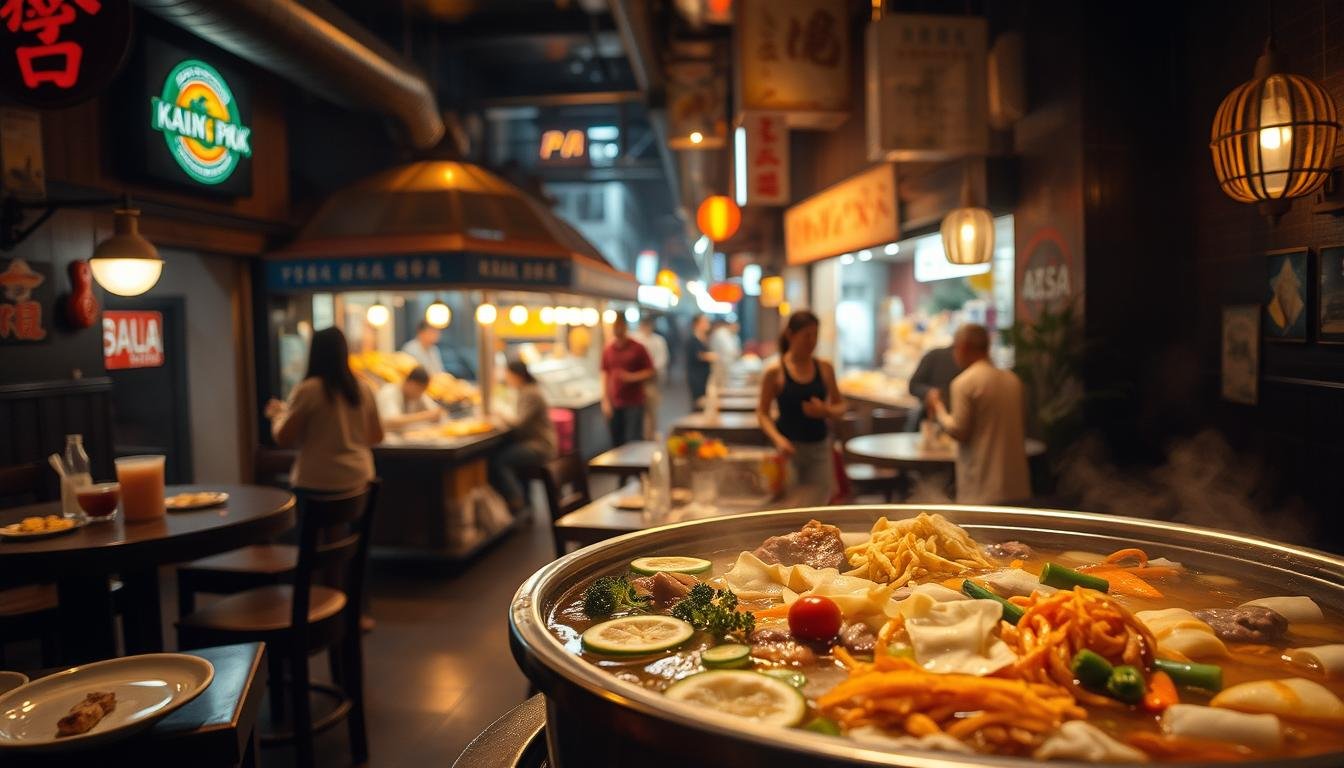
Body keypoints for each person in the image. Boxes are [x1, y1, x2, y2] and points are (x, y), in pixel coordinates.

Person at [266, 327, 384, 492]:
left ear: (314, 353)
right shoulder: (363, 389)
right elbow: (377, 436)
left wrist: (277, 415)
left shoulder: (308, 390)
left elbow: (284, 438)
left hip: (316, 482)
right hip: (359, 481)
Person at [926, 323, 1031, 504]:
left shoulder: (964, 382)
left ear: (963, 347)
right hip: (1017, 486)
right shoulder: (1013, 379)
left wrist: (938, 408)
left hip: (983, 488)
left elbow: (959, 431)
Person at [758, 310, 846, 500]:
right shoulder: (775, 371)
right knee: (789, 504)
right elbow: (763, 414)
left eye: (815, 335)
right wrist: (778, 440)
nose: (812, 341)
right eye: (807, 335)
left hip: (819, 448)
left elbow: (841, 407)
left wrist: (825, 411)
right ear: (791, 335)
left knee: (819, 502)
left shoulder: (825, 368)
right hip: (789, 449)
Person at [489, 361, 558, 515]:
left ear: (517, 376)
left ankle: (516, 501)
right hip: (533, 442)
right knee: (505, 455)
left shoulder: (530, 393)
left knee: (500, 461)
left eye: (508, 375)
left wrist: (499, 414)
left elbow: (518, 422)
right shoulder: (525, 391)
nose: (506, 379)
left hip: (539, 445)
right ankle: (523, 503)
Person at [600, 315, 654, 447]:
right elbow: (605, 374)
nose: (617, 329)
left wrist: (631, 377)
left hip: (634, 401)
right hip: (615, 401)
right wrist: (605, 400)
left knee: (633, 440)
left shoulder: (638, 347)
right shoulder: (608, 349)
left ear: (625, 326)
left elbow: (650, 371)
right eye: (615, 326)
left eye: (620, 325)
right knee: (616, 440)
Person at [906, 345, 963, 430]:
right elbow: (913, 385)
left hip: (955, 420)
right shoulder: (935, 355)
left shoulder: (973, 365)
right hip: (929, 419)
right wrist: (928, 392)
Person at [632, 317, 669, 439]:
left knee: (652, 409)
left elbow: (662, 360)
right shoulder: (635, 339)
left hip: (652, 381)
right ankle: (640, 436)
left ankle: (652, 435)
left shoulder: (658, 340)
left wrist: (650, 371)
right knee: (637, 412)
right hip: (636, 382)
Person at [375, 365, 442, 431]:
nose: (420, 394)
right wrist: (425, 415)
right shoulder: (388, 392)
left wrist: (435, 414)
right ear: (411, 383)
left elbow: (435, 412)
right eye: (419, 390)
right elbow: (391, 420)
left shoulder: (417, 395)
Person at [685, 314, 716, 405]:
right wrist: (712, 356)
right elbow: (699, 355)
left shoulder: (704, 339)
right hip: (697, 378)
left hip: (705, 376)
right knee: (699, 403)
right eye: (705, 322)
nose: (707, 324)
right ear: (697, 324)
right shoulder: (693, 340)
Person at [709, 320, 741, 386]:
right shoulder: (721, 333)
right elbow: (728, 349)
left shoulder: (732, 335)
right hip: (721, 363)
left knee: (725, 383)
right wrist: (736, 353)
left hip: (727, 363)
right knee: (721, 384)